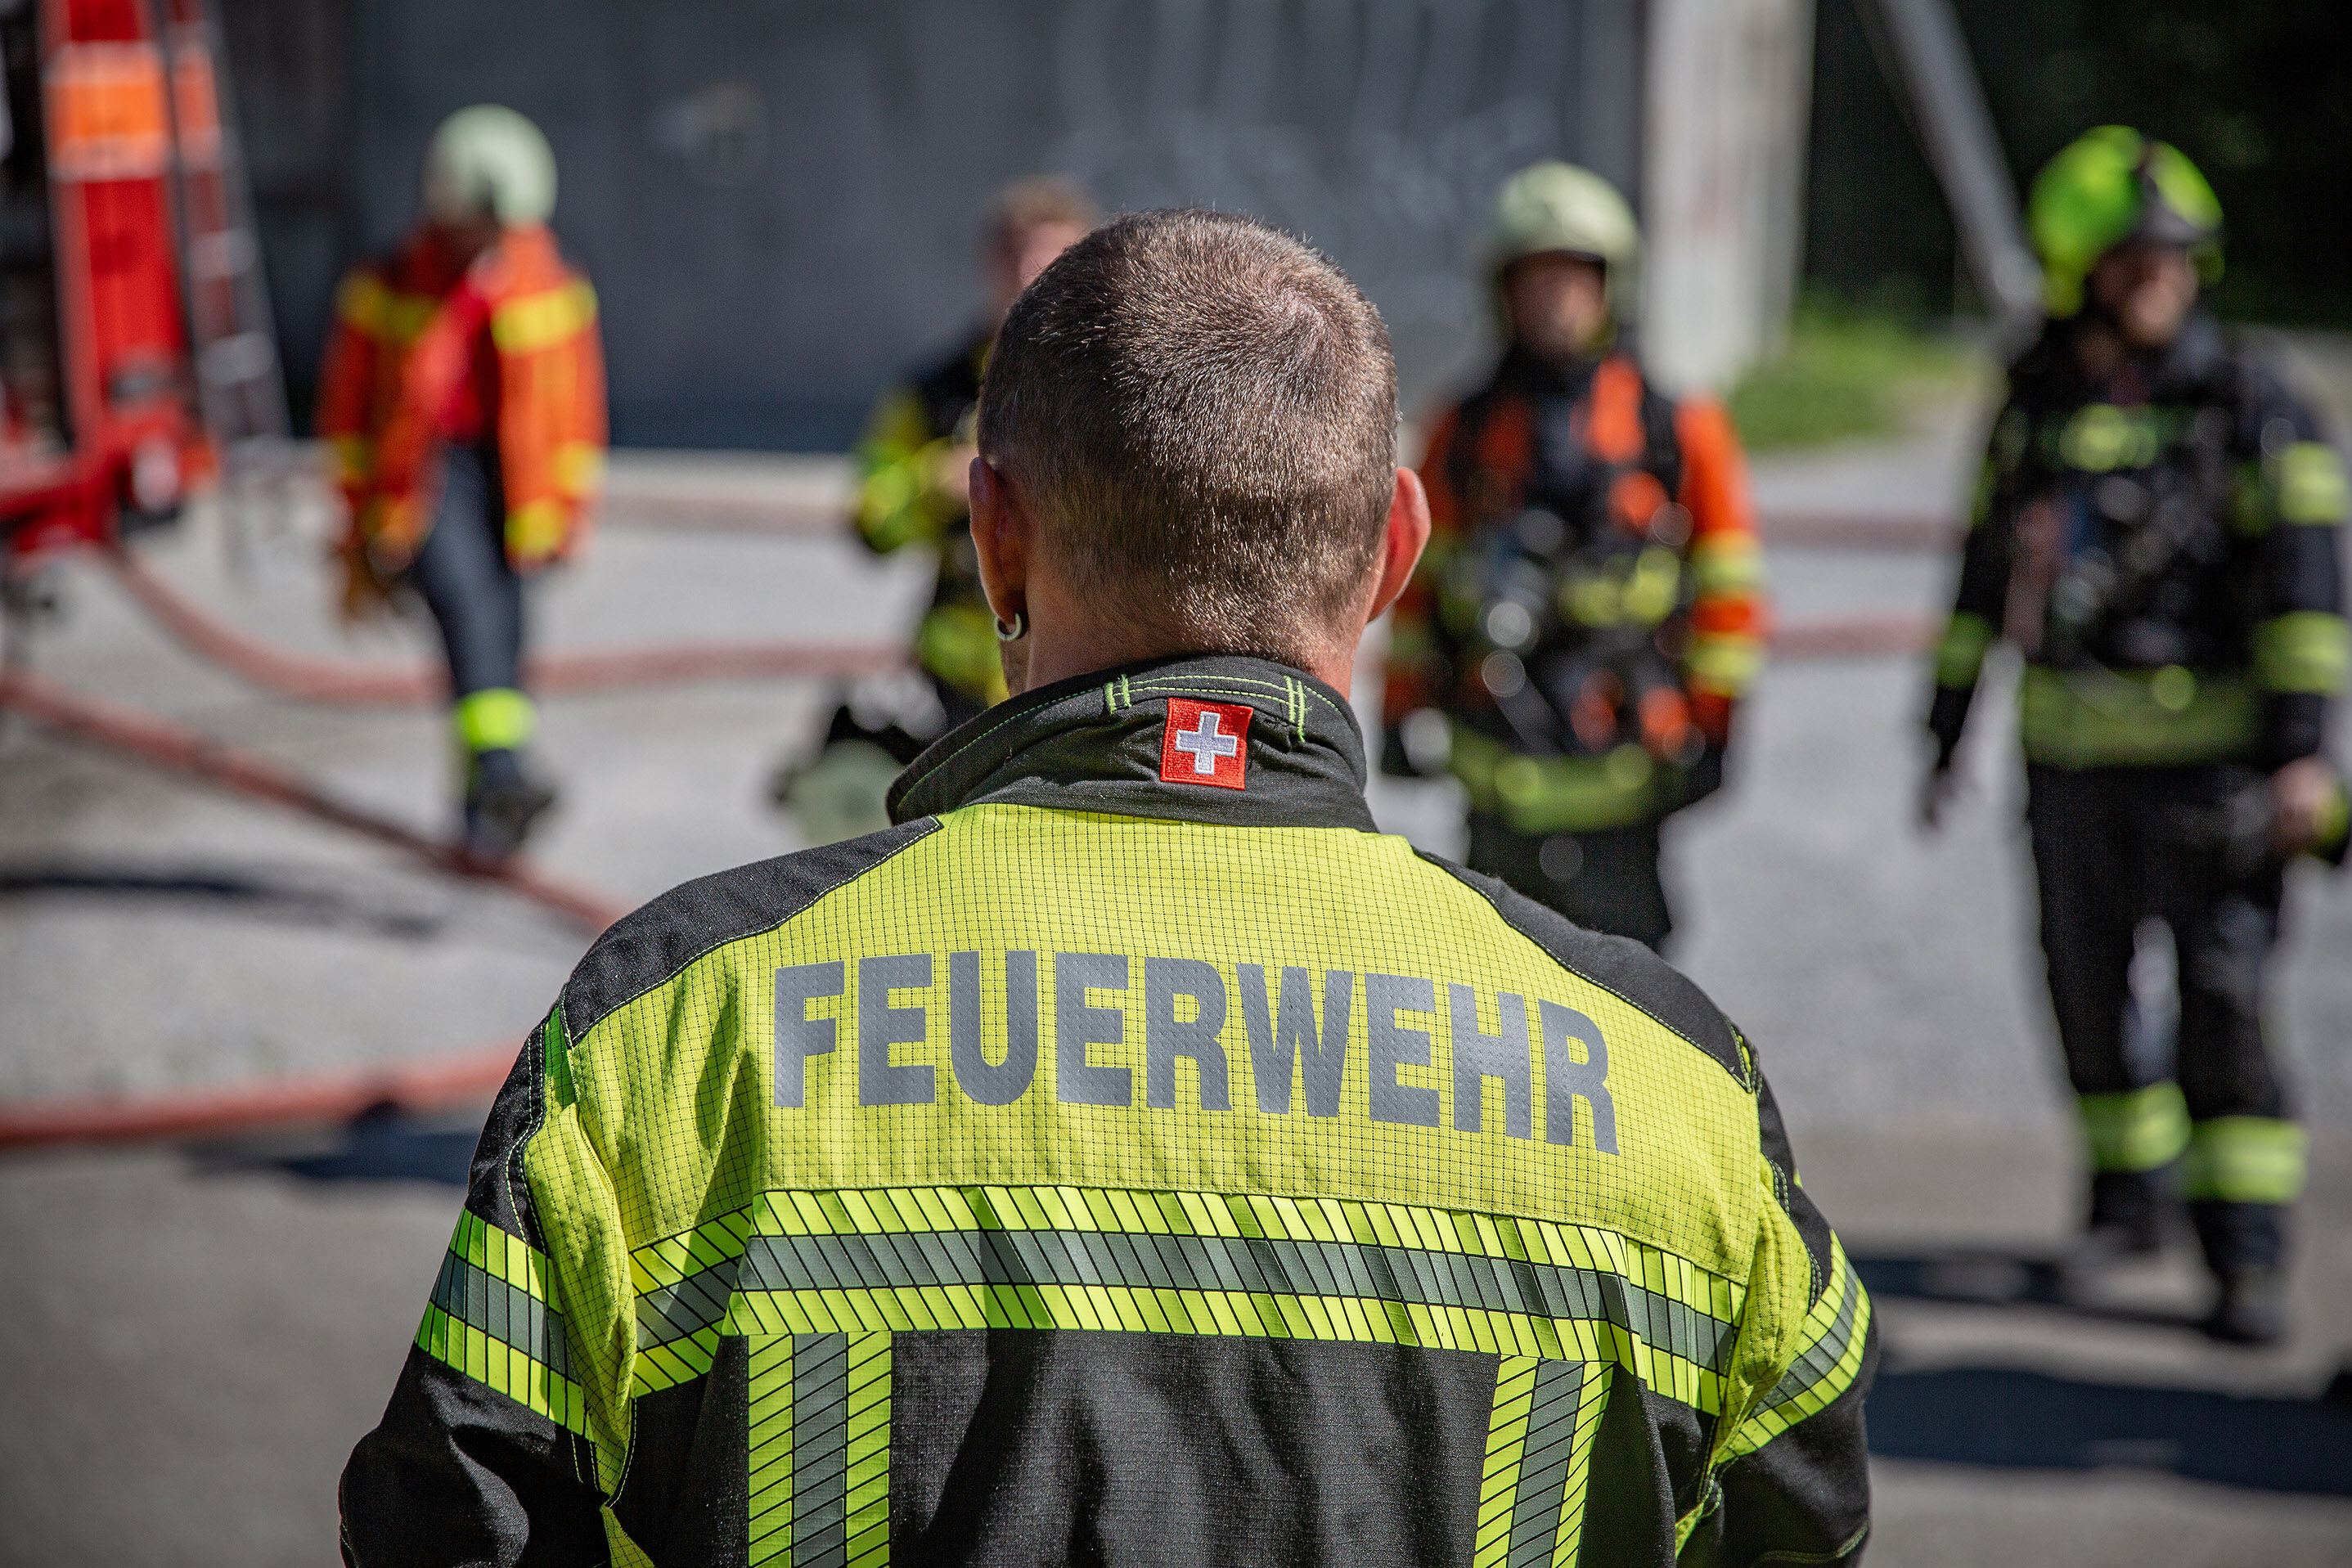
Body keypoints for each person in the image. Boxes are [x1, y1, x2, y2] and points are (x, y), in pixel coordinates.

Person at [340, 209, 1873, 1565]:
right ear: (1396, 550)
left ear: (994, 534)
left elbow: (452, 1520)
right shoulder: (1679, 1095)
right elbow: (1804, 1512)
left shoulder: (671, 1036)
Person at [1922, 127, 2349, 1344]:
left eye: (2171, 258)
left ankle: (2246, 1257)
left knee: (2221, 1008)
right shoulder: (2034, 402)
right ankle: (2125, 1200)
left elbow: (2305, 596)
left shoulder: (2250, 403)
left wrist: (2300, 753)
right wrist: (1942, 733)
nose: (2157, 277)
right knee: (2084, 999)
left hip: (2212, 779)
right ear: (2077, 271)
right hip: (2066, 771)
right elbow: (1978, 575)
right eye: (2131, 260)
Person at [1383, 161, 1768, 950]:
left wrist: (1719, 727)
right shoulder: (1461, 431)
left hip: (1625, 779)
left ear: (1608, 287)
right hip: (1497, 779)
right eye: (1534, 280)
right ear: (1503, 293)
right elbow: (1418, 582)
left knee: (1632, 1001)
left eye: (1571, 279)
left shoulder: (1674, 430)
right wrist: (1396, 711)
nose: (1553, 301)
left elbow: (1729, 588)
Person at [317, 105, 606, 860]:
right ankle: (507, 776)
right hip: (427, 485)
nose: (497, 240)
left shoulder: (548, 279)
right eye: (484, 224)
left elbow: (577, 406)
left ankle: (483, 812)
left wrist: (569, 511)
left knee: (505, 641)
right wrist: (353, 528)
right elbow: (347, 415)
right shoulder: (386, 284)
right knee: (470, 617)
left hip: (514, 489)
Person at [777, 175, 1097, 845]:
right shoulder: (938, 391)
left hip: (1079, 667)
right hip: (956, 677)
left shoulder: (1111, 385)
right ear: (988, 265)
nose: (1029, 275)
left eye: (1050, 258)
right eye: (1014, 257)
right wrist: (937, 482)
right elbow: (870, 518)